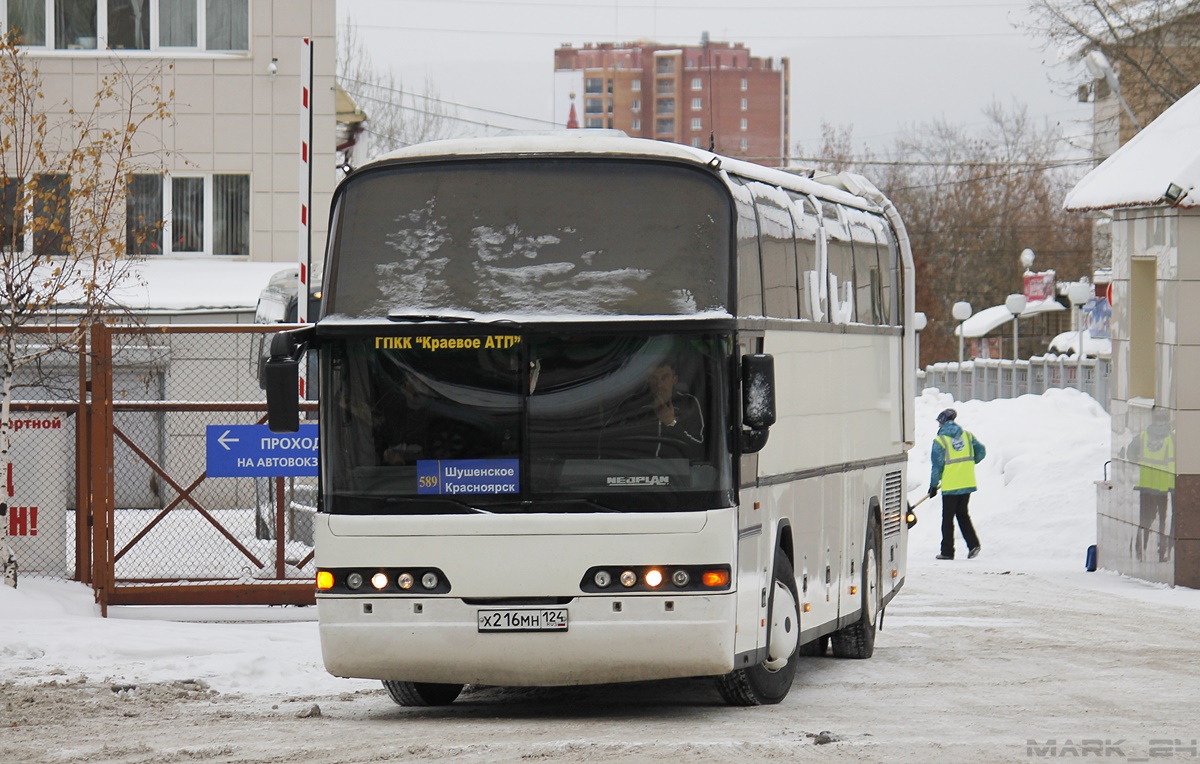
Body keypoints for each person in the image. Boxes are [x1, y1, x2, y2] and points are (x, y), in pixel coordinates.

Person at [603, 361, 705, 459]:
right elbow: (608, 441)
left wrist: (671, 423)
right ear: (647, 380)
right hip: (637, 471)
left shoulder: (688, 403)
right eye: (654, 378)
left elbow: (697, 448)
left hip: (676, 472)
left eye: (664, 377)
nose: (659, 384)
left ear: (674, 379)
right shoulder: (632, 405)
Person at [928, 408, 986, 560]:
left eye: (939, 424)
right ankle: (973, 545)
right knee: (962, 515)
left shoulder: (940, 441)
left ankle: (947, 551)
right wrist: (968, 464)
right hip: (967, 482)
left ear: (942, 423)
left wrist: (933, 485)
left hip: (951, 486)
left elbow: (937, 466)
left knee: (947, 519)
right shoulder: (967, 436)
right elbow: (981, 452)